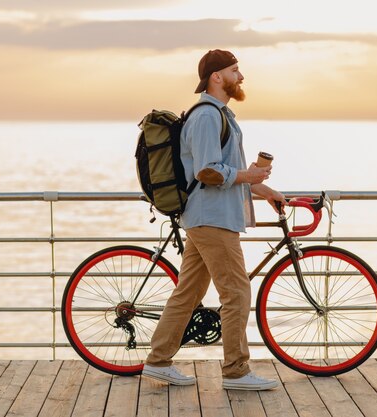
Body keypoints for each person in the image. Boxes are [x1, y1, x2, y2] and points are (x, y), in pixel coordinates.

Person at [142, 49, 286, 391]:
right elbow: (208, 172)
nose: (242, 76)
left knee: (187, 293)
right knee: (236, 292)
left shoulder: (221, 114)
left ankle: (158, 361)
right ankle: (236, 371)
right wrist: (248, 177)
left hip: (209, 217)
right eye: (235, 70)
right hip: (213, 221)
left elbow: (227, 175)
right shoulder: (207, 116)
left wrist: (264, 189)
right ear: (216, 77)